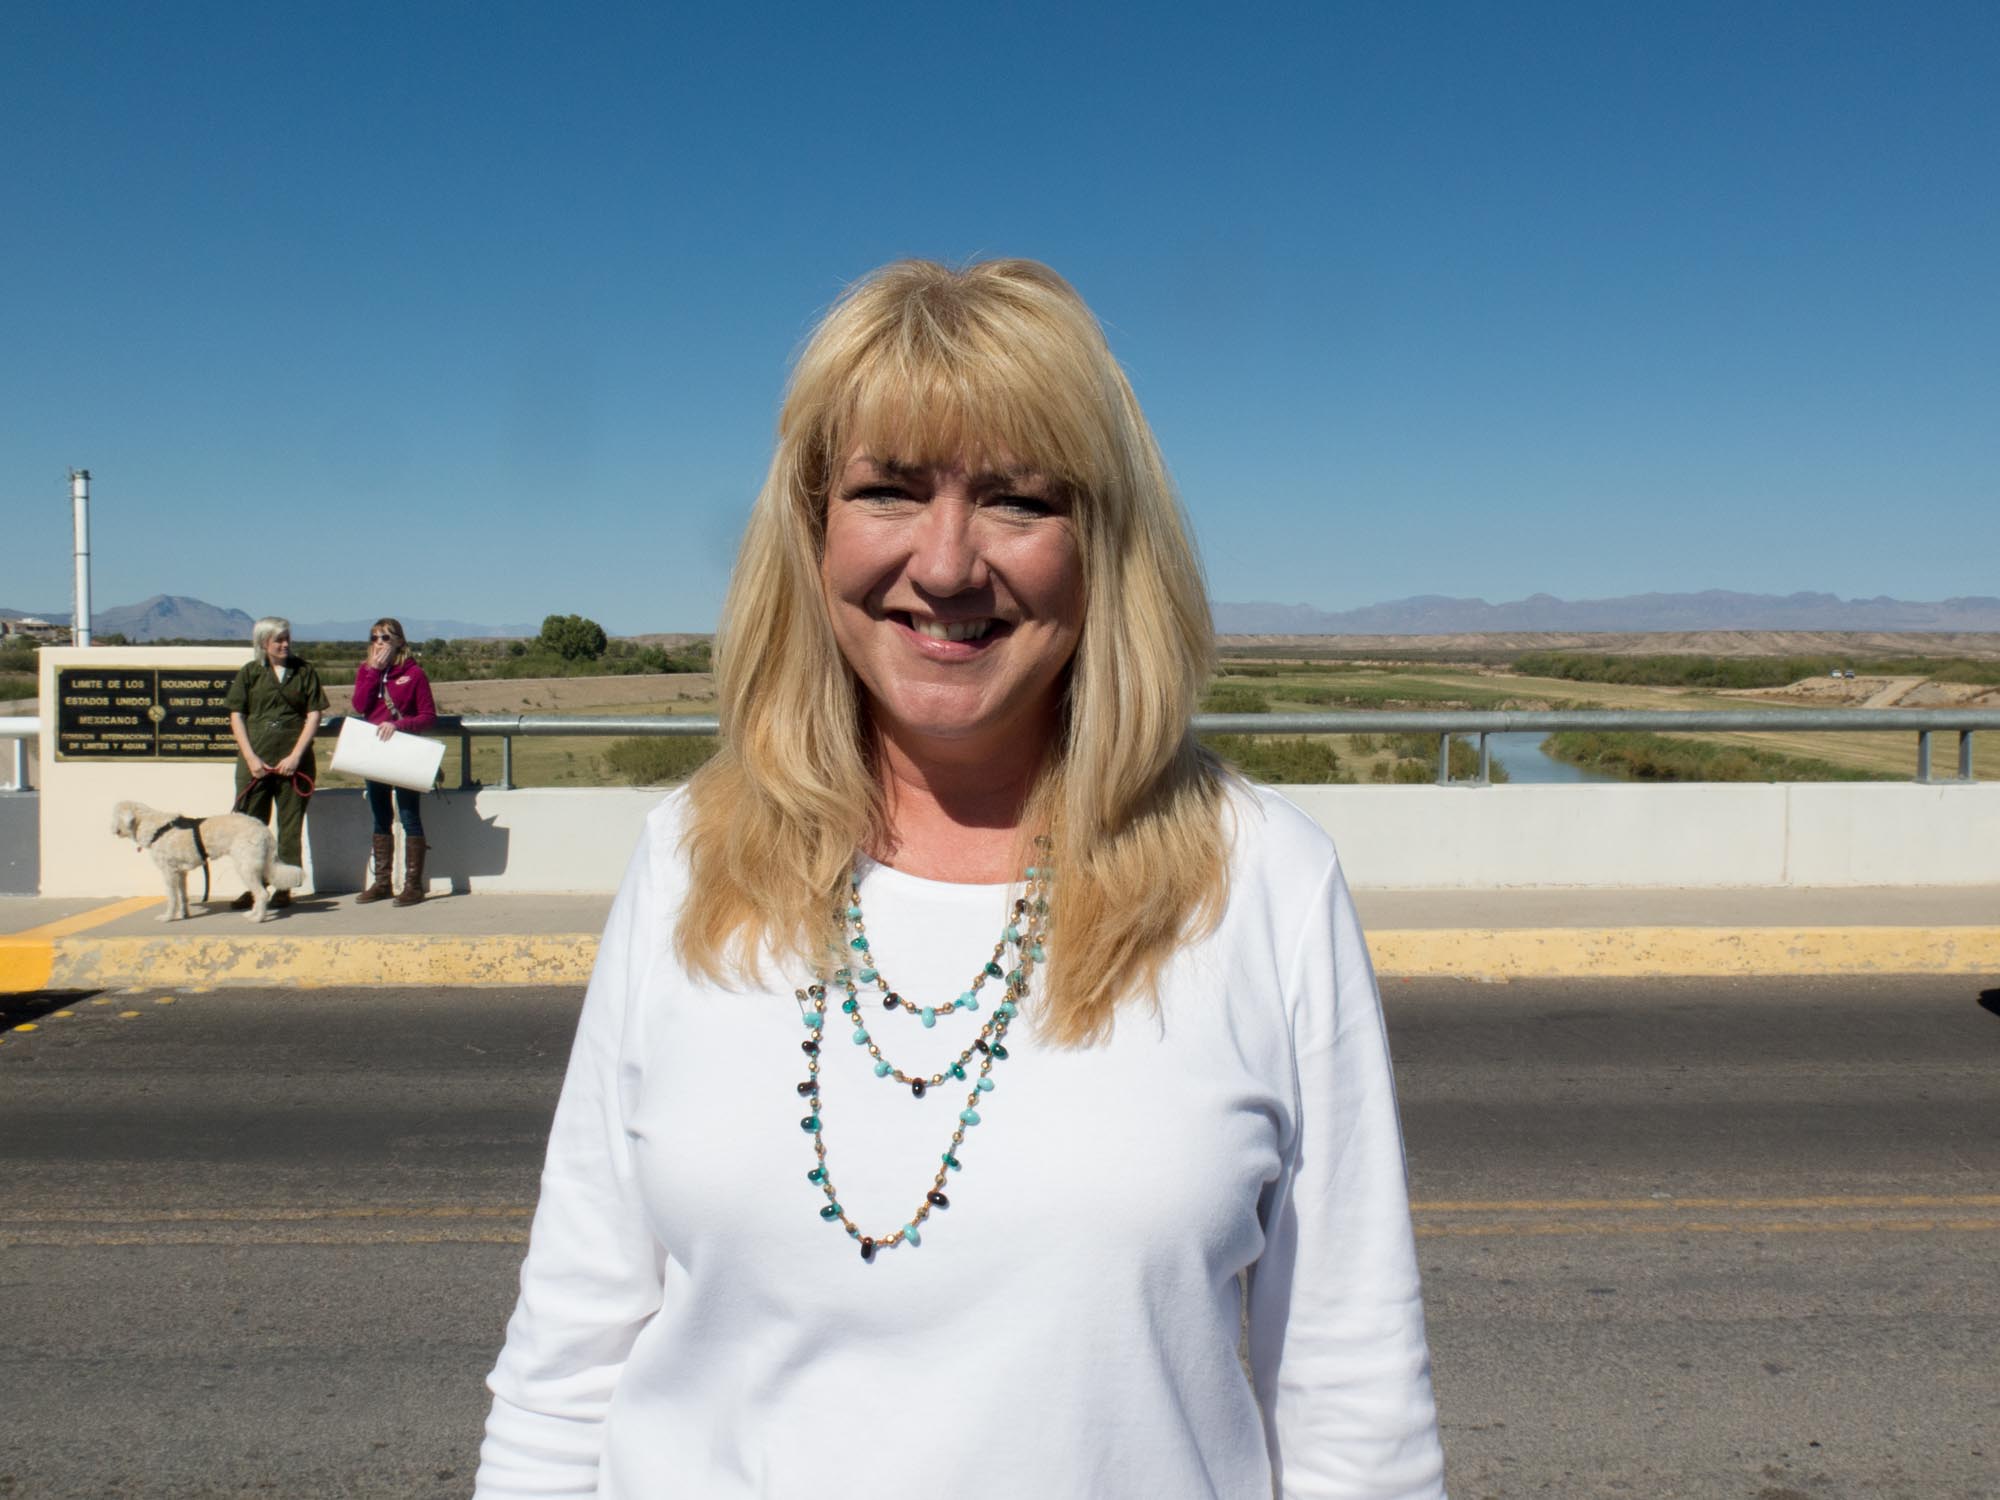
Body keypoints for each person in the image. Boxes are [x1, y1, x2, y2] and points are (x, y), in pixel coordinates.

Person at [475, 260, 1446, 1499]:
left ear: (1103, 549)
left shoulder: (1259, 886)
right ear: (811, 527)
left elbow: (1350, 1410)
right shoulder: (686, 861)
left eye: (1016, 502)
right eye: (886, 489)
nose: (944, 565)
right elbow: (568, 1365)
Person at [224, 616, 327, 910]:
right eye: (278, 640)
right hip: (256, 763)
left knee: (290, 826)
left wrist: (295, 756)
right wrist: (251, 757)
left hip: (294, 763)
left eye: (287, 638)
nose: (284, 644)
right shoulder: (250, 673)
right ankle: (255, 887)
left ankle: (285, 887)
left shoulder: (304, 672)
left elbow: (314, 714)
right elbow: (236, 715)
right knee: (251, 829)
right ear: (263, 643)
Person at [350, 617, 439, 905]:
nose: (379, 643)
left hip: (403, 752)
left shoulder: (414, 674)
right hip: (375, 754)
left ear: (400, 640)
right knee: (380, 816)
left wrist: (398, 726)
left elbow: (428, 716)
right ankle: (382, 881)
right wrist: (374, 671)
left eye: (386, 638)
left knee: (409, 815)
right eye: (374, 638)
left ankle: (413, 884)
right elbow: (360, 705)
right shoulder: (366, 671)